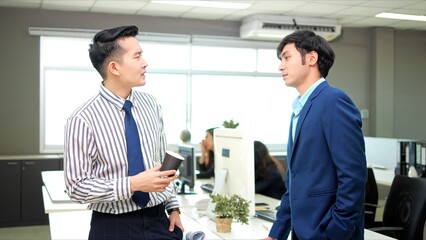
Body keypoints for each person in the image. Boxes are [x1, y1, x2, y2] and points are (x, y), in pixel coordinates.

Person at [64, 25, 184, 240]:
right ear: (114, 68)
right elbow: (77, 187)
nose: (145, 63)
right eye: (137, 57)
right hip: (114, 226)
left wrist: (173, 208)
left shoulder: (151, 105)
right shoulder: (82, 118)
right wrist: (133, 184)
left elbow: (161, 164)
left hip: (160, 221)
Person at [266, 30, 367, 240]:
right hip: (303, 231)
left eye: (287, 57)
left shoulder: (333, 101)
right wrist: (277, 233)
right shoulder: (300, 108)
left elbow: (353, 176)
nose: (280, 66)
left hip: (325, 233)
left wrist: (335, 232)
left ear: (312, 58)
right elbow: (294, 183)